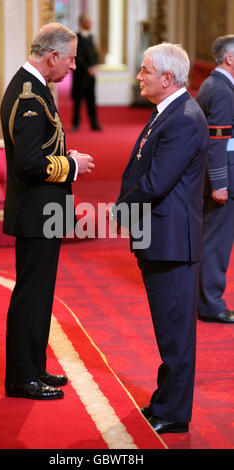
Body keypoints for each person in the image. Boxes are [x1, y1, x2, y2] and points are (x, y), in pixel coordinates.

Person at [112, 43, 209, 434]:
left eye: (145, 71)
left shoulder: (183, 117)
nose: (139, 76)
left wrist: (120, 210)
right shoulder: (168, 112)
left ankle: (174, 411)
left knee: (175, 332)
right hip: (161, 236)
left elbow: (155, 181)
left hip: (171, 242)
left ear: (167, 79)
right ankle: (166, 400)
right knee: (168, 329)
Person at [0, 22, 94, 400]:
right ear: (53, 56)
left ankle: (33, 366)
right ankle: (22, 377)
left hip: (42, 210)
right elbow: (27, 163)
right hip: (36, 211)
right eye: (70, 59)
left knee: (40, 295)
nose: (73, 67)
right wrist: (70, 167)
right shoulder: (29, 95)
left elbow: (40, 147)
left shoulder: (37, 88)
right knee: (31, 295)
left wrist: (64, 155)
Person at [196, 35, 234, 324]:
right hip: (224, 177)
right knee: (216, 243)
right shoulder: (222, 90)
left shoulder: (218, 85)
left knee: (215, 239)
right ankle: (210, 304)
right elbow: (217, 139)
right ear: (229, 59)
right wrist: (220, 183)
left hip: (223, 173)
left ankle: (207, 299)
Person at [71, 14, 101, 131]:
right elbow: (77, 57)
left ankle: (94, 123)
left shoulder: (91, 37)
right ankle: (75, 123)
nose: (90, 23)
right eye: (88, 21)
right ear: (82, 23)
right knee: (78, 101)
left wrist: (94, 67)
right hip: (80, 75)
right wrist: (87, 68)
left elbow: (95, 54)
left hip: (91, 76)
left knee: (91, 100)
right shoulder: (76, 38)